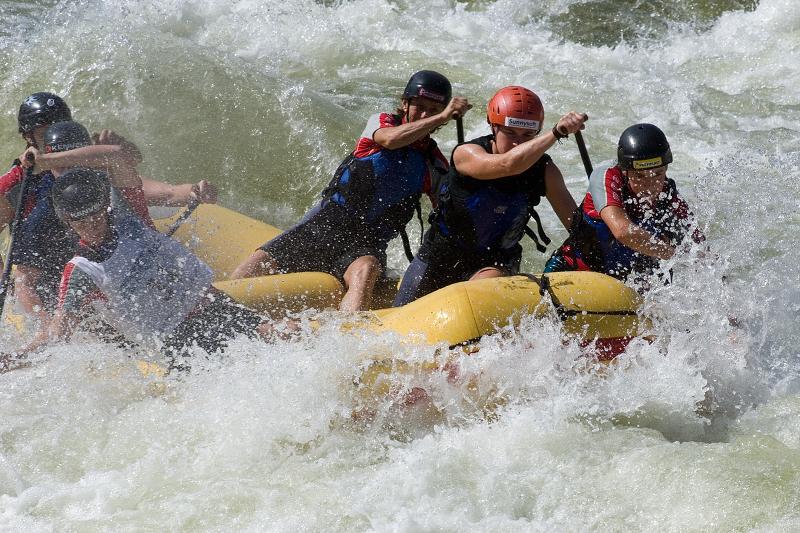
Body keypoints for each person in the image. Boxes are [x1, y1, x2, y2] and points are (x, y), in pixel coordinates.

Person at [230, 70, 472, 311]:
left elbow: (450, 212)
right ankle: (215, 311)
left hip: (367, 244)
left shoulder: (434, 163)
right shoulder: (380, 123)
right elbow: (390, 140)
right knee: (252, 267)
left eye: (432, 110)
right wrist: (441, 117)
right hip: (324, 227)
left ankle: (347, 341)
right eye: (419, 106)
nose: (424, 114)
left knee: (365, 270)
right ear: (404, 103)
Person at [2, 168, 280, 365]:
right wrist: (17, 357)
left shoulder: (128, 218)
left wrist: (54, 158)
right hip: (180, 340)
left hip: (213, 303)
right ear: (67, 220)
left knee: (282, 334)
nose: (92, 225)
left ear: (105, 206)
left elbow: (117, 159)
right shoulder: (81, 270)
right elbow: (58, 334)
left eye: (95, 214)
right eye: (80, 220)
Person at [0, 92, 217, 318]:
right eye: (45, 132)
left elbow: (156, 186)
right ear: (29, 138)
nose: (66, 158)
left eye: (61, 125)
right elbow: (25, 279)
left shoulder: (94, 166)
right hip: (62, 274)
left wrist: (193, 191)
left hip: (113, 272)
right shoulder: (24, 192)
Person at [392, 85, 588, 306]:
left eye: (528, 135)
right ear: (493, 126)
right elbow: (508, 164)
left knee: (480, 289)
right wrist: (556, 133)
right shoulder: (466, 154)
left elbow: (578, 228)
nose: (517, 143)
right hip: (440, 258)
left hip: (496, 262)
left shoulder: (546, 171)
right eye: (510, 133)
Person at [543, 123, 704, 282]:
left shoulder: (669, 195)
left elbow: (698, 244)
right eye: (639, 176)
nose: (650, 184)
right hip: (576, 273)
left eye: (658, 174)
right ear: (625, 171)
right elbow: (622, 231)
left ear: (666, 169)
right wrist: (673, 254)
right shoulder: (607, 177)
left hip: (629, 283)